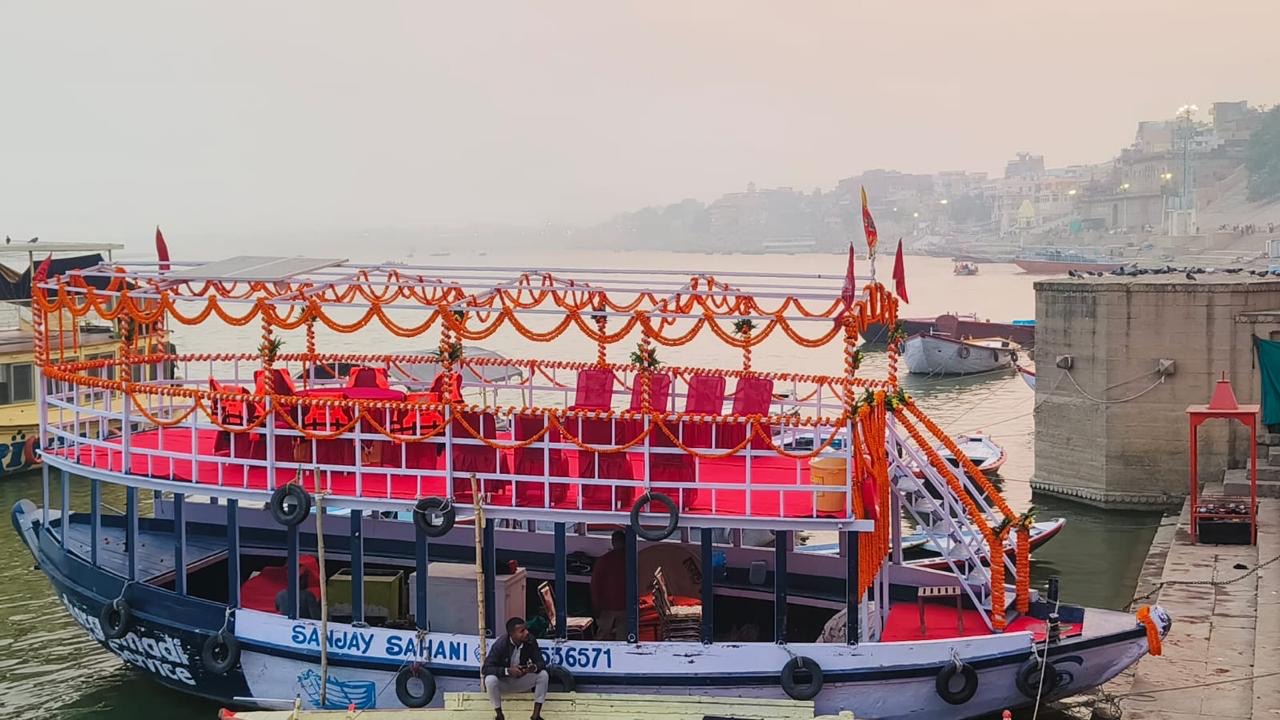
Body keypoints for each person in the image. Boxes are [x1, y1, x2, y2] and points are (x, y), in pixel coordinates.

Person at [482, 617, 549, 720]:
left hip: (521, 681)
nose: (526, 632)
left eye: (526, 629)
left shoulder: (530, 640)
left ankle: (536, 716)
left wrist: (532, 668)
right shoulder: (500, 644)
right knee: (490, 680)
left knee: (543, 675)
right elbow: (486, 669)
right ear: (512, 634)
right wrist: (507, 671)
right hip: (504, 682)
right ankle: (499, 715)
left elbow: (541, 663)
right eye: (522, 631)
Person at [589, 530, 627, 640]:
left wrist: (596, 607)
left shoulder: (603, 560)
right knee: (623, 639)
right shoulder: (632, 559)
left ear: (613, 542)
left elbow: (595, 586)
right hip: (626, 606)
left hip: (606, 607)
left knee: (602, 637)